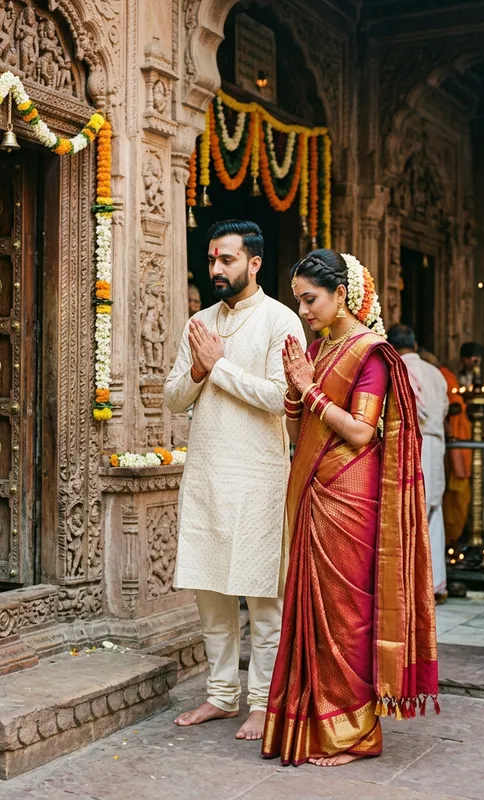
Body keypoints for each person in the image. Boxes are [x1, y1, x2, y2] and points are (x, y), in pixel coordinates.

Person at [262, 250, 439, 768]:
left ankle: (358, 732)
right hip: (314, 486)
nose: (304, 310)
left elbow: (362, 430)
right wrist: (297, 393)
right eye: (298, 300)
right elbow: (300, 432)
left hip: (350, 491)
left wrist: (309, 390)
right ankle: (316, 722)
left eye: (310, 299)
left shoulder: (371, 353)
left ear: (342, 294)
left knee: (347, 611)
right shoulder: (316, 349)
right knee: (315, 610)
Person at [165, 220, 306, 741]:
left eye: (226, 260)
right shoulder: (199, 322)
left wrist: (218, 365)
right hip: (206, 475)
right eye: (211, 260)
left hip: (260, 478)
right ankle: (222, 696)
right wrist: (200, 371)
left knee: (263, 600)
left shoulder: (282, 321)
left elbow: (280, 397)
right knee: (211, 595)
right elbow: (174, 397)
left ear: (255, 263)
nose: (216, 269)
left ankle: (264, 702)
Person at [389, 324, 449, 602]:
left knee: (411, 513)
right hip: (436, 445)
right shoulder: (435, 373)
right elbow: (445, 408)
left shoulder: (398, 368)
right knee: (433, 512)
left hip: (416, 443)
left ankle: (412, 585)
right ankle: (435, 583)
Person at [441, 349, 474, 547]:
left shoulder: (448, 378)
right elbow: (452, 406)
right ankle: (449, 539)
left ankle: (453, 539)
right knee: (453, 494)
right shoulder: (444, 376)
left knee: (459, 494)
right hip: (452, 441)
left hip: (461, 439)